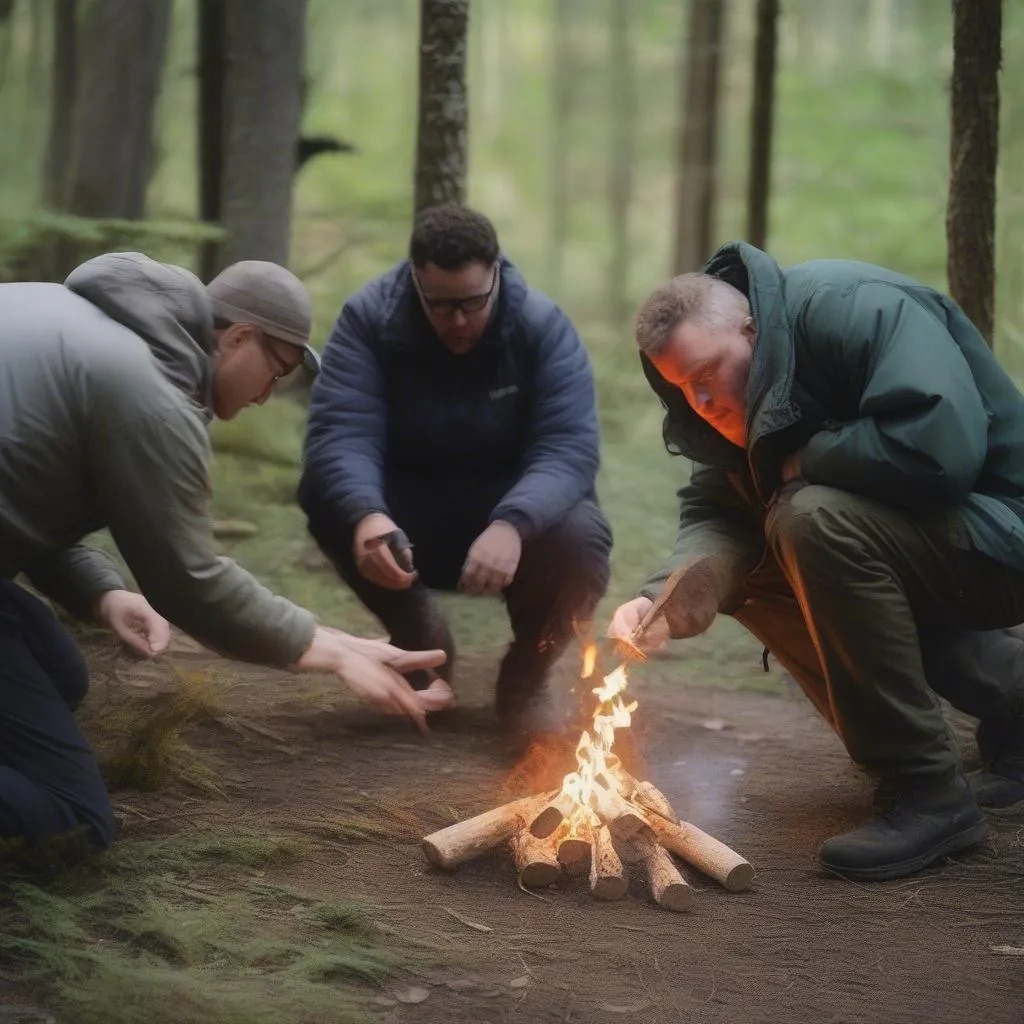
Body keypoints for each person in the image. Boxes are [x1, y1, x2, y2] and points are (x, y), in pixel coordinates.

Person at [0, 252, 447, 850]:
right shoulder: (147, 393)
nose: (269, 394)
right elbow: (191, 581)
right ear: (239, 337)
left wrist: (101, 593)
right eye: (278, 369)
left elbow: (21, 488)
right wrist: (333, 656)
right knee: (74, 818)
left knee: (59, 674)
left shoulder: (84, 325)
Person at [608, 240, 1024, 881]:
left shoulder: (853, 309)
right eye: (682, 390)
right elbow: (720, 515)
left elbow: (940, 446)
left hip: (1005, 526)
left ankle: (928, 792)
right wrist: (666, 594)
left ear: (750, 327)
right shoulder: (734, 408)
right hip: (925, 546)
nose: (702, 403)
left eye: (706, 375)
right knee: (770, 551)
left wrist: (811, 458)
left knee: (810, 520)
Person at [299, 204, 612, 738]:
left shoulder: (541, 326)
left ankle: (526, 679)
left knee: (582, 538)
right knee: (332, 498)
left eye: (472, 303)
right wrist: (367, 515)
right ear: (416, 282)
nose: (459, 321)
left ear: (495, 273)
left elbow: (569, 448)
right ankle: (419, 636)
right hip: (405, 515)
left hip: (508, 520)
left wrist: (514, 522)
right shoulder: (370, 320)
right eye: (442, 307)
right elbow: (340, 435)